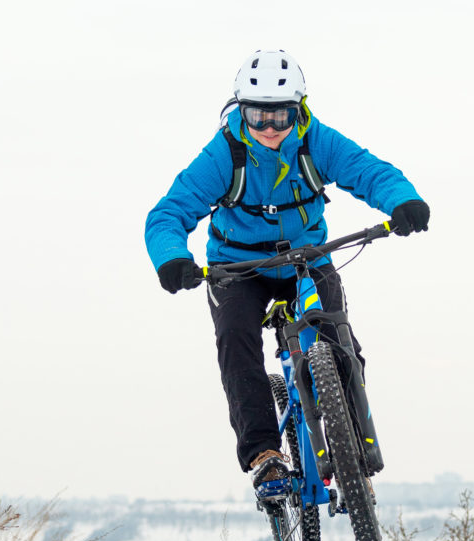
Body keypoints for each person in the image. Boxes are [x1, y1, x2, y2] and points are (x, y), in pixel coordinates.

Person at [145, 50, 429, 489]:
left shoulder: (318, 141)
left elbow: (370, 171)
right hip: (238, 267)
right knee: (237, 341)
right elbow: (170, 213)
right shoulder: (224, 154)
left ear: (299, 110)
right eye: (258, 116)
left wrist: (402, 201)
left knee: (340, 340)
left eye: (282, 116)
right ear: (241, 110)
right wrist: (172, 258)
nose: (271, 129)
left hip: (305, 259)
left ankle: (350, 443)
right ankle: (265, 454)